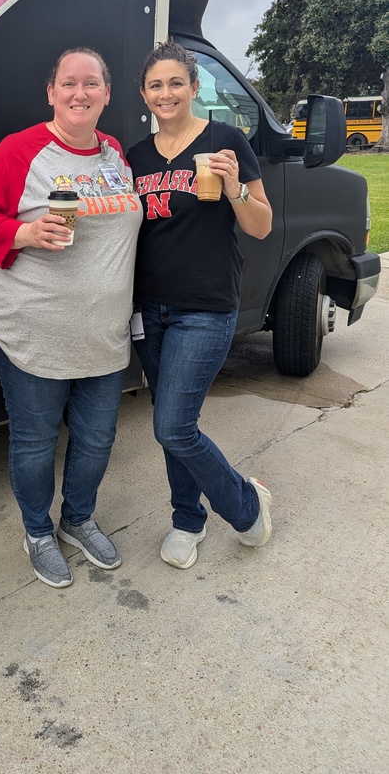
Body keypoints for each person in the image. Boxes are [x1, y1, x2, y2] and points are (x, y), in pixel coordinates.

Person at [0, 48, 142, 587]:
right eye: (68, 83)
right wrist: (24, 232)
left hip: (103, 332)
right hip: (31, 328)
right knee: (36, 441)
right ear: (51, 93)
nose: (79, 93)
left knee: (97, 438)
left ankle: (78, 520)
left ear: (107, 94)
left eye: (91, 83)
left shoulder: (114, 155)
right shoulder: (20, 150)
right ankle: (38, 531)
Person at [127, 39, 274, 570]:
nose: (165, 93)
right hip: (149, 308)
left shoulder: (225, 140)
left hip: (206, 306)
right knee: (175, 422)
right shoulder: (135, 157)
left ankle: (245, 505)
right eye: (155, 85)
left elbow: (261, 225)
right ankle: (187, 520)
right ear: (143, 94)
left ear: (193, 87)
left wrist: (236, 188)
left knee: (172, 426)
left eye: (175, 83)